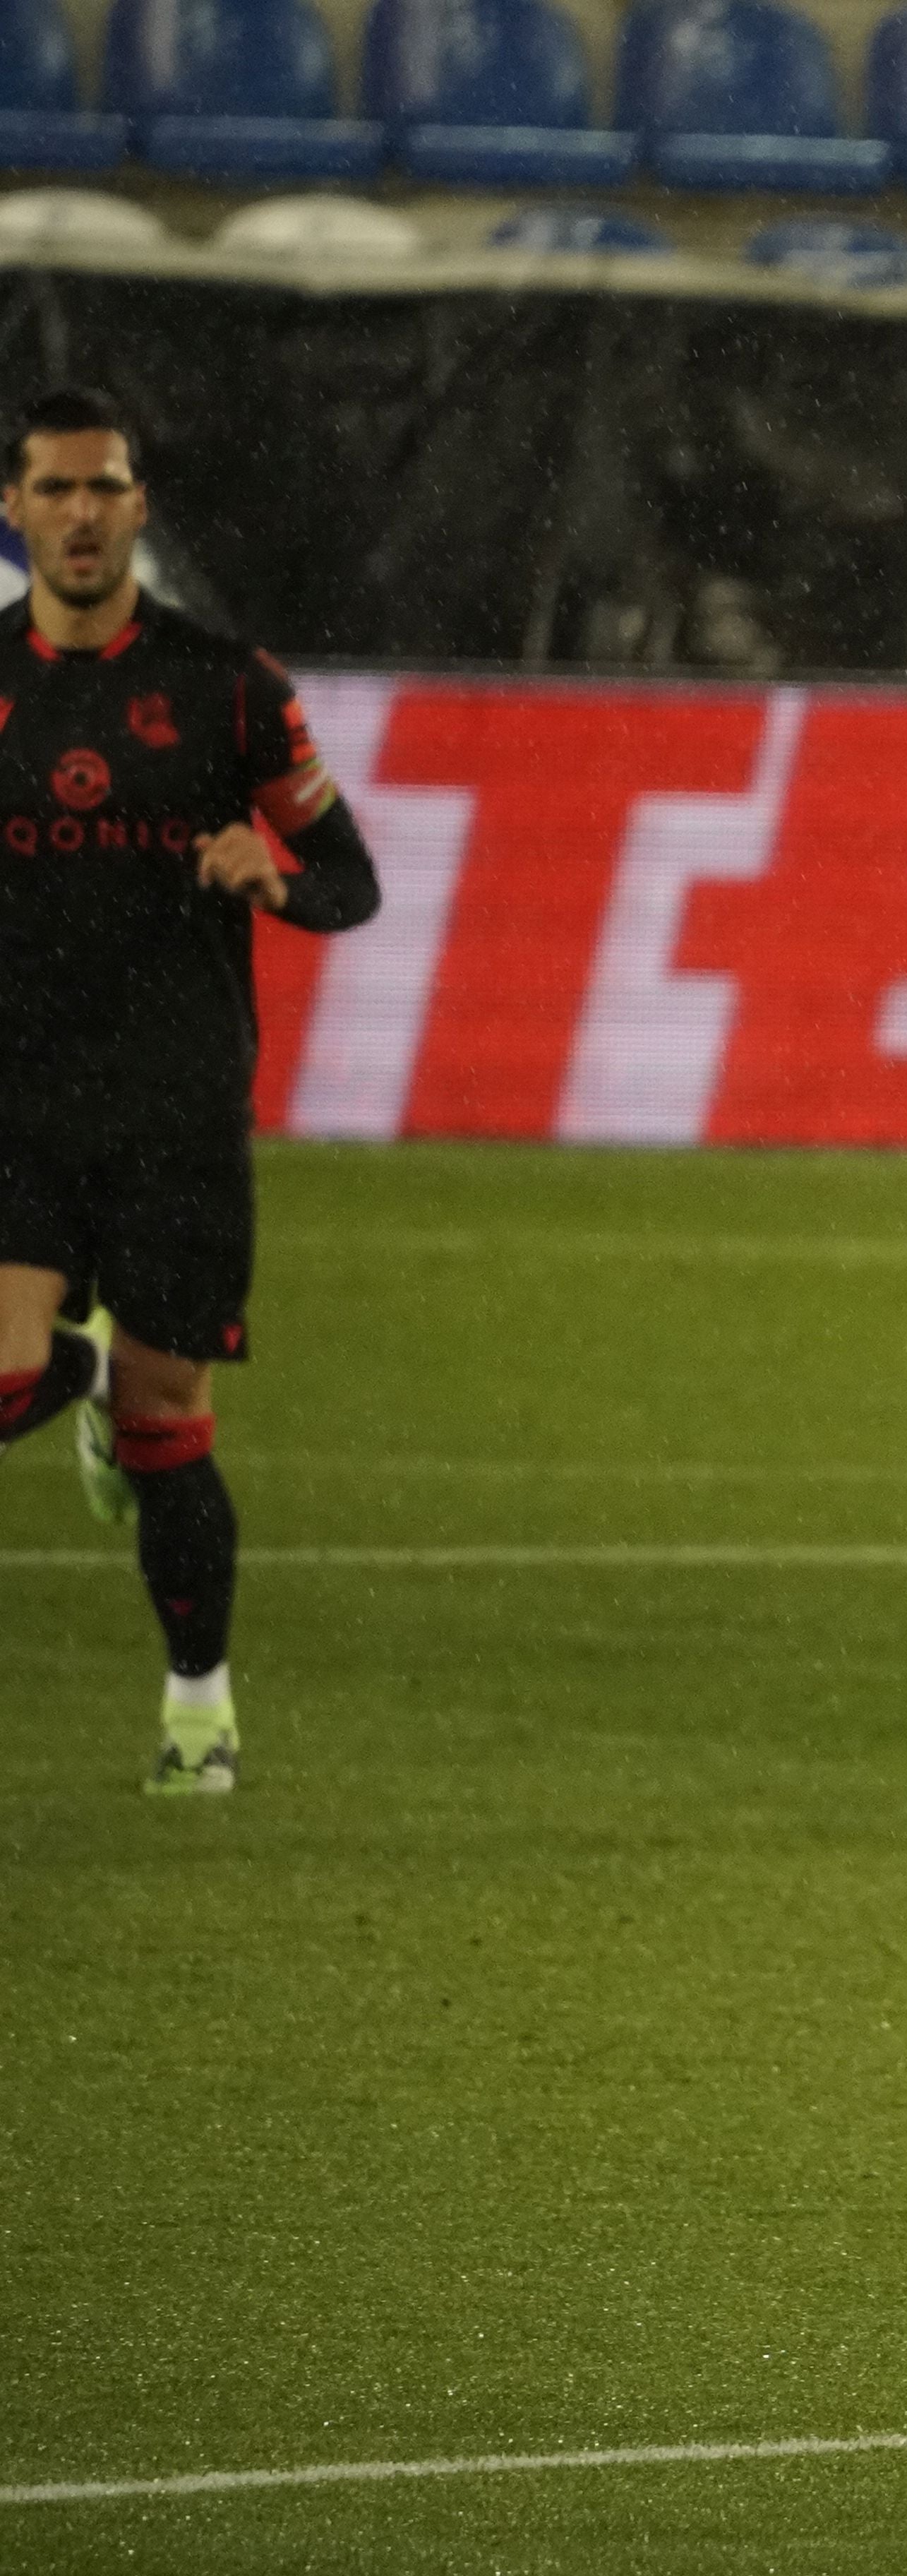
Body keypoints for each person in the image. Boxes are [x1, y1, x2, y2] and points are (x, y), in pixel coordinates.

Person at [0, 386, 378, 1795]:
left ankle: (199, 1706)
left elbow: (354, 879)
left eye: (104, 487)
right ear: (17, 509)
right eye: (54, 489)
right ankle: (75, 1366)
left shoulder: (232, 689)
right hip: (20, 1103)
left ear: (139, 505)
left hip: (175, 1109)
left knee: (170, 1426)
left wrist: (273, 879)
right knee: (9, 1371)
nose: (82, 514)